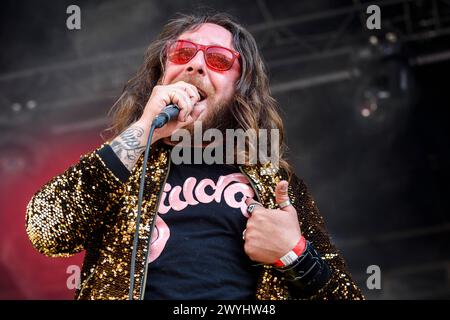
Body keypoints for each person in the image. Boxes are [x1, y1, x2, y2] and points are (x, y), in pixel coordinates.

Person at [25, 12, 363, 300]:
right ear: (161, 74)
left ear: (240, 88)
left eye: (218, 59)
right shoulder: (123, 168)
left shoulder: (276, 187)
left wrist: (295, 254)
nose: (196, 65)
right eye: (183, 52)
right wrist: (145, 129)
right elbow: (46, 229)